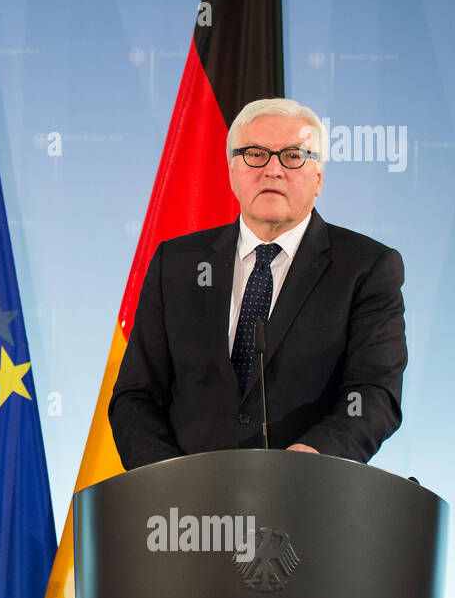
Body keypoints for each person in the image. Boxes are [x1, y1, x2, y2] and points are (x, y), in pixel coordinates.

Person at [109, 97, 407, 469]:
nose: (272, 170)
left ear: (319, 177)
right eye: (255, 154)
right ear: (232, 169)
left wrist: (311, 461)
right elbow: (136, 395)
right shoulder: (177, 263)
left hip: (304, 502)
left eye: (293, 156)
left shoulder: (367, 267)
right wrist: (168, 477)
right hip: (184, 511)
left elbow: (374, 393)